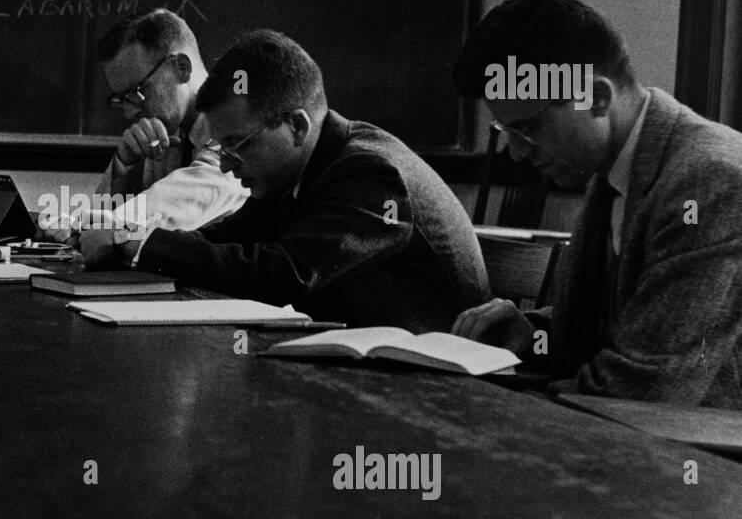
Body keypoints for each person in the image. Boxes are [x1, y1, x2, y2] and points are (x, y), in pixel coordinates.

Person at [450, 0, 742, 408]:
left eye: (528, 128)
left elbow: (648, 389)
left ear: (598, 97)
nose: (516, 152)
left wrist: (508, 405)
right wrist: (533, 337)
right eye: (505, 132)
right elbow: (633, 318)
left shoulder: (710, 181)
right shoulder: (612, 168)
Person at [82, 29, 490, 331]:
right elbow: (230, 240)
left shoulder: (371, 173)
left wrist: (136, 241)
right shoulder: (300, 169)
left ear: (296, 125)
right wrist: (132, 241)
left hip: (430, 385)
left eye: (236, 145)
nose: (226, 165)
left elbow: (285, 275)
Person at [47, 9, 247, 239]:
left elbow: (165, 208)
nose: (130, 112)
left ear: (182, 67)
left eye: (137, 92)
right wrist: (125, 166)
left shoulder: (234, 130)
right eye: (122, 100)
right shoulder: (164, 132)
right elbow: (104, 223)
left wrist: (75, 225)